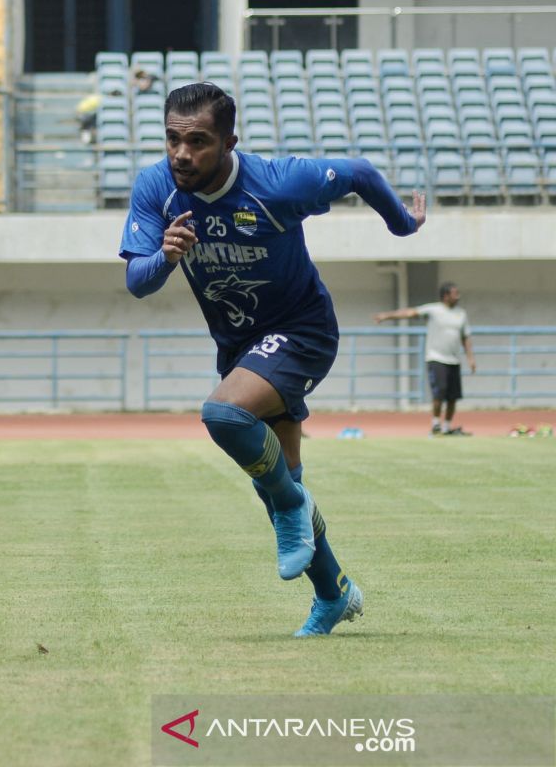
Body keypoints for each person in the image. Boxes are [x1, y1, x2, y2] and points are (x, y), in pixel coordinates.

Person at [119, 83, 427, 637]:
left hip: (301, 331)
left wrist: (402, 223)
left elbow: (356, 171)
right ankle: (333, 593)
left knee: (224, 416)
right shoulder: (156, 187)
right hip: (240, 346)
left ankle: (291, 508)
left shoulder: (278, 183)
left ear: (230, 141)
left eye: (198, 141)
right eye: (172, 139)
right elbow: (136, 281)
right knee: (277, 477)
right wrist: (164, 257)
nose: (182, 154)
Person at [374, 282, 475, 436]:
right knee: (439, 393)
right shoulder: (433, 310)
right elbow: (409, 313)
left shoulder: (461, 314)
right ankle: (436, 425)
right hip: (436, 358)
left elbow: (465, 337)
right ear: (446, 295)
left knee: (453, 397)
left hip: (454, 360)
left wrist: (470, 358)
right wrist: (386, 316)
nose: (458, 296)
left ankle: (447, 427)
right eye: (455, 293)